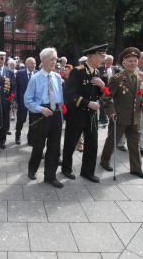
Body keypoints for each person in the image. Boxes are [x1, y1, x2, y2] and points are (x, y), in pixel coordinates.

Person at [100, 47, 143, 180]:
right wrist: (111, 112)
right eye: (130, 61)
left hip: (135, 117)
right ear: (123, 62)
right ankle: (104, 161)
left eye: (135, 61)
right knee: (112, 141)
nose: (133, 63)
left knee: (134, 144)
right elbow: (106, 97)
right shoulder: (117, 78)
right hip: (119, 117)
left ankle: (136, 169)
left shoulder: (140, 76)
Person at [61, 44, 107, 183]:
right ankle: (66, 169)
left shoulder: (97, 72)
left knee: (92, 144)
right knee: (71, 143)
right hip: (77, 114)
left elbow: (99, 94)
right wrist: (88, 103)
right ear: (92, 57)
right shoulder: (77, 71)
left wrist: (102, 86)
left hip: (92, 115)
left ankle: (87, 171)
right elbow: (69, 94)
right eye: (101, 56)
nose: (103, 58)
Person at [24, 48, 64, 188]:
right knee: (39, 145)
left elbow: (60, 97)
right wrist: (41, 109)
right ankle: (32, 169)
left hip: (56, 113)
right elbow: (27, 100)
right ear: (44, 60)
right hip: (41, 114)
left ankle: (50, 176)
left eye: (56, 59)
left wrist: (62, 113)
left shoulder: (57, 77)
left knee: (54, 145)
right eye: (52, 59)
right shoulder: (35, 78)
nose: (55, 61)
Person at [0, 51, 17, 150]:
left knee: (5, 121)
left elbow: (14, 86)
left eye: (1, 58)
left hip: (5, 101)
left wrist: (12, 98)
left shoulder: (9, 71)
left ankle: (2, 140)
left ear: (5, 59)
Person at [15, 57, 36, 145]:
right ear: (27, 64)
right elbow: (16, 88)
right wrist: (15, 101)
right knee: (21, 119)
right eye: (31, 63)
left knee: (33, 121)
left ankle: (30, 139)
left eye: (34, 63)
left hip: (33, 103)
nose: (33, 65)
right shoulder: (20, 73)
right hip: (22, 101)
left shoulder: (37, 73)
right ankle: (18, 135)